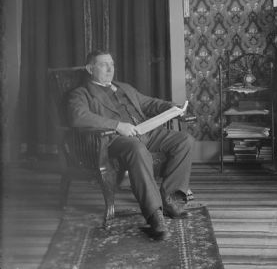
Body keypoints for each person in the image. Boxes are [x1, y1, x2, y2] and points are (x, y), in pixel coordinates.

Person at [68, 50, 194, 240]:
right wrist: (117, 126)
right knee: (137, 148)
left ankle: (171, 201)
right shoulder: (81, 93)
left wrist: (173, 107)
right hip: (114, 140)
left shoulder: (124, 87)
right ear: (90, 68)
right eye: (103, 64)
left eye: (112, 64)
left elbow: (150, 103)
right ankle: (154, 215)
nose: (110, 68)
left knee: (185, 140)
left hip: (144, 132)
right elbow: (78, 116)